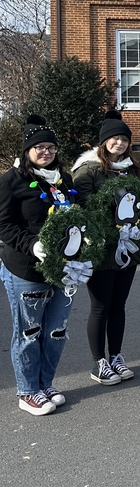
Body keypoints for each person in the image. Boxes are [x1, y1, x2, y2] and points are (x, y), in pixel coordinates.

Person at [0, 114, 75, 415]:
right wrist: (33, 244)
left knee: (56, 329)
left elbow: (76, 217)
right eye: (40, 147)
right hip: (26, 270)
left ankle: (45, 383)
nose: (46, 152)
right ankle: (27, 390)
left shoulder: (63, 179)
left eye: (51, 148)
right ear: (27, 150)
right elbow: (3, 225)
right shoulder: (11, 181)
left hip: (63, 268)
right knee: (29, 331)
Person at [72, 110, 140, 385]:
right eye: (114, 138)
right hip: (101, 249)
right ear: (103, 142)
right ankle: (99, 362)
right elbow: (80, 207)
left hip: (128, 248)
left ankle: (116, 356)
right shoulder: (88, 170)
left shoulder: (132, 169)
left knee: (119, 305)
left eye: (124, 139)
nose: (120, 143)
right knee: (101, 306)